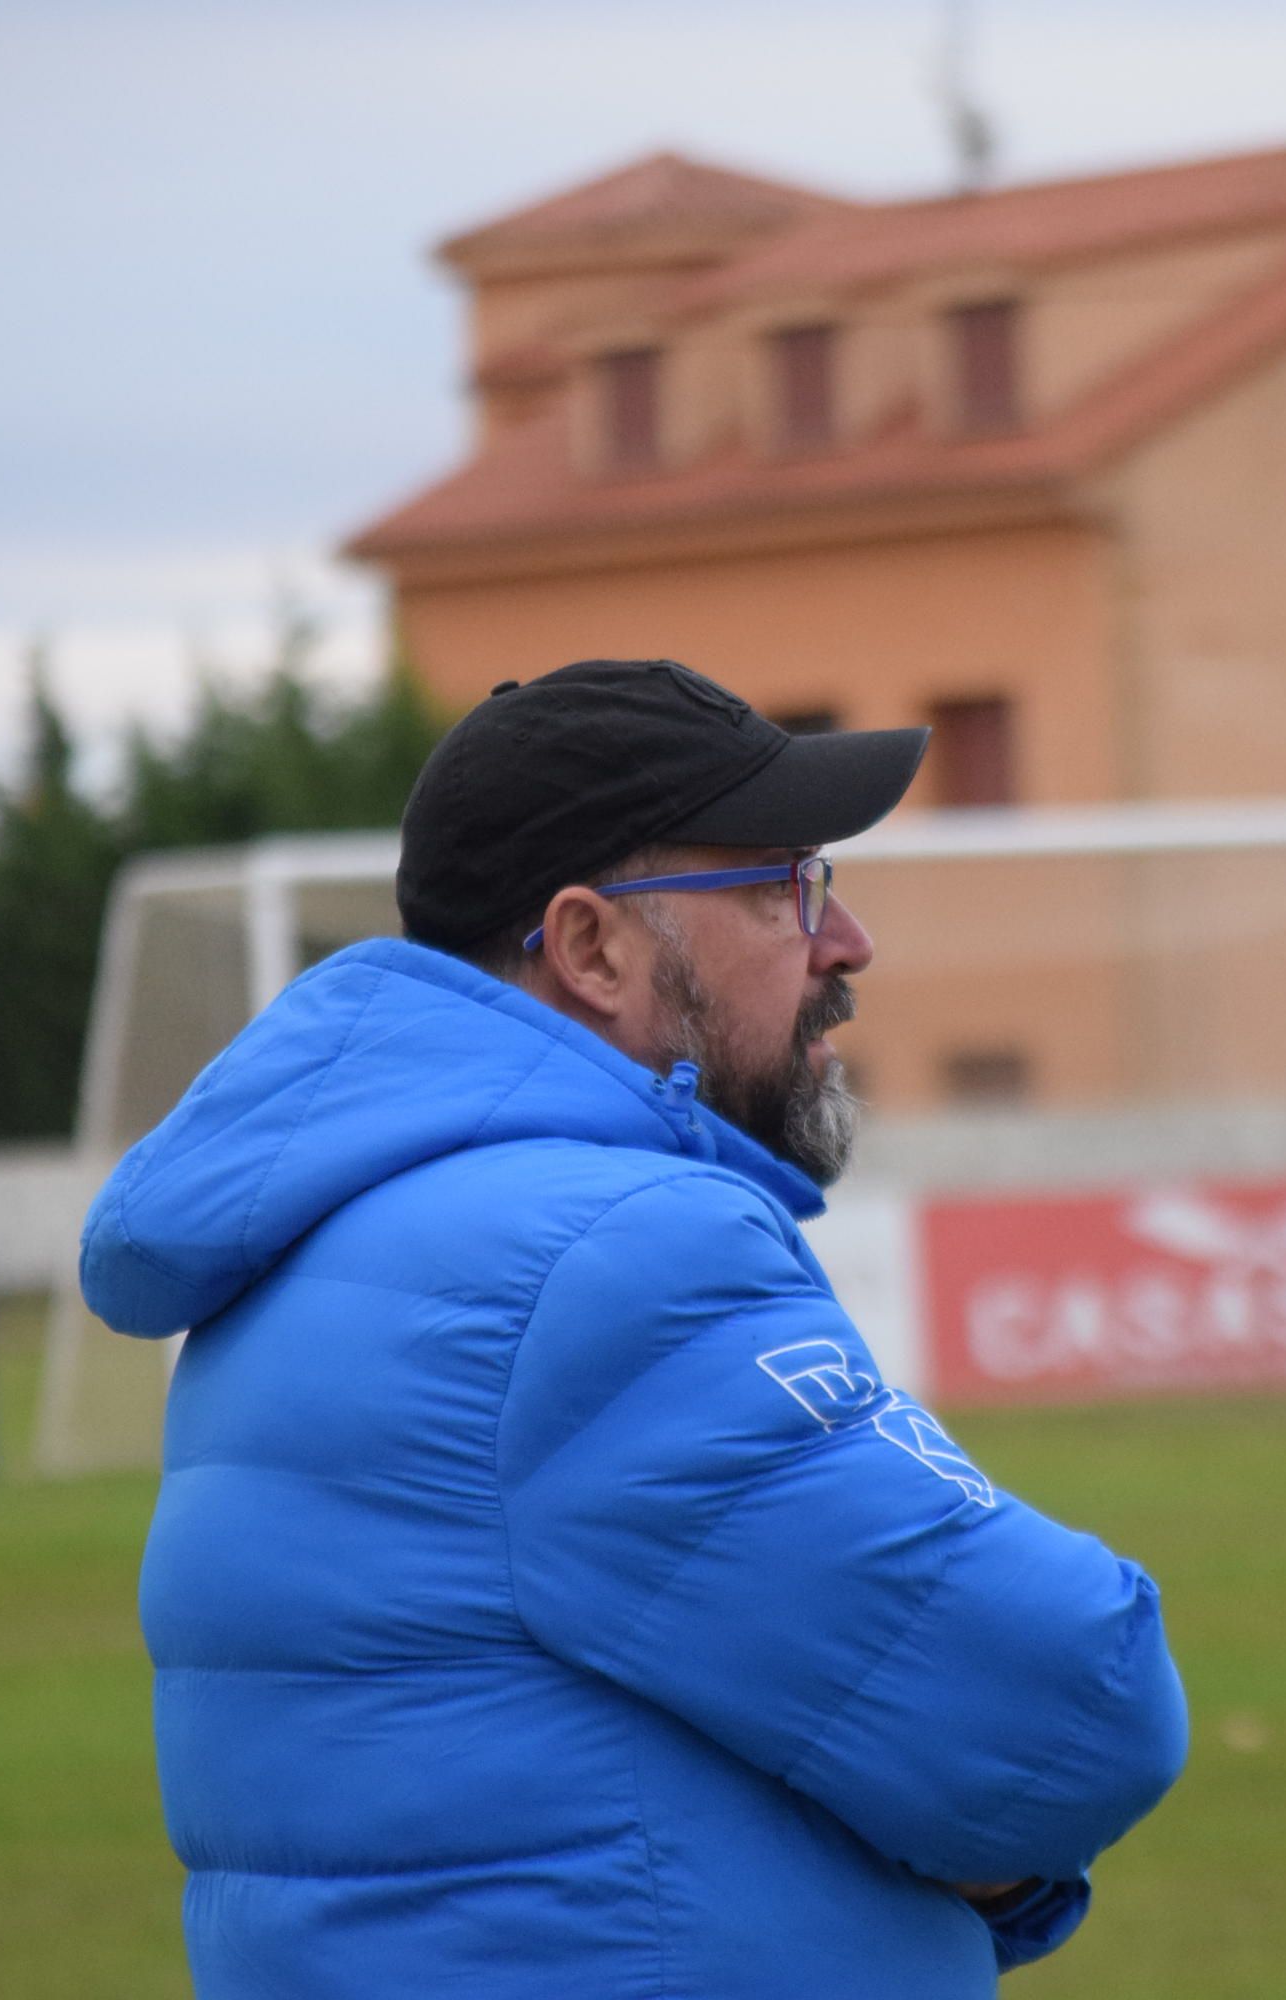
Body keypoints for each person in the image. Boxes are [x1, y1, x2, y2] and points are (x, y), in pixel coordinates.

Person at [79, 659, 1186, 1997]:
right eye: (786, 887)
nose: (847, 943)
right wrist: (990, 1857)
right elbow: (1074, 1703)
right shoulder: (609, 1254)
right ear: (595, 947)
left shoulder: (332, 1231)